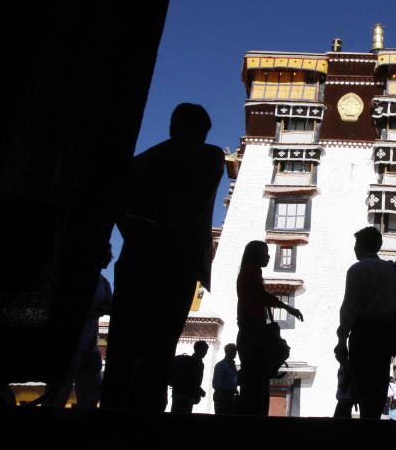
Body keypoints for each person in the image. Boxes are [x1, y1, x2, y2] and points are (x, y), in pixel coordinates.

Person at [102, 103, 225, 412]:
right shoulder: (209, 157)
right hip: (178, 263)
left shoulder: (140, 163)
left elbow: (117, 205)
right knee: (160, 346)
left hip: (137, 259)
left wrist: (139, 231)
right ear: (202, 131)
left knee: (124, 345)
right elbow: (191, 207)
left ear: (172, 126)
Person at [334, 226, 396, 420]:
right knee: (377, 387)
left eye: (356, 244)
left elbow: (349, 308)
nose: (354, 248)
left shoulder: (357, 270)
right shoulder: (393, 270)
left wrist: (342, 339)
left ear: (362, 246)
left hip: (363, 336)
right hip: (385, 336)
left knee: (360, 385)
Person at [235, 240, 303, 416]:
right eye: (265, 253)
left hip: (249, 332)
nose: (268, 256)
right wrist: (288, 307)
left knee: (253, 384)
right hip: (253, 334)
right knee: (256, 385)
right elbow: (263, 297)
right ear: (255, 255)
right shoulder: (251, 272)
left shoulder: (249, 272)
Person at [43, 245, 114, 409]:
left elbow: (110, 306)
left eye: (110, 256)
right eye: (107, 255)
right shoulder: (75, 278)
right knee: (60, 388)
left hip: (90, 344)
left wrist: (101, 310)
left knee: (91, 391)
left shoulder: (103, 283)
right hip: (69, 343)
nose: (109, 259)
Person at [170, 340, 208, 413]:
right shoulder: (198, 363)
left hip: (177, 393)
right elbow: (193, 381)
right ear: (202, 350)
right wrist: (199, 391)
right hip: (187, 396)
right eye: (205, 350)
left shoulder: (186, 360)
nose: (206, 353)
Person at [212, 343, 239, 415]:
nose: (235, 353)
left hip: (230, 396)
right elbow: (217, 384)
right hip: (222, 396)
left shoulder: (233, 366)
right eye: (233, 351)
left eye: (235, 351)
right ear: (227, 352)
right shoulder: (221, 365)